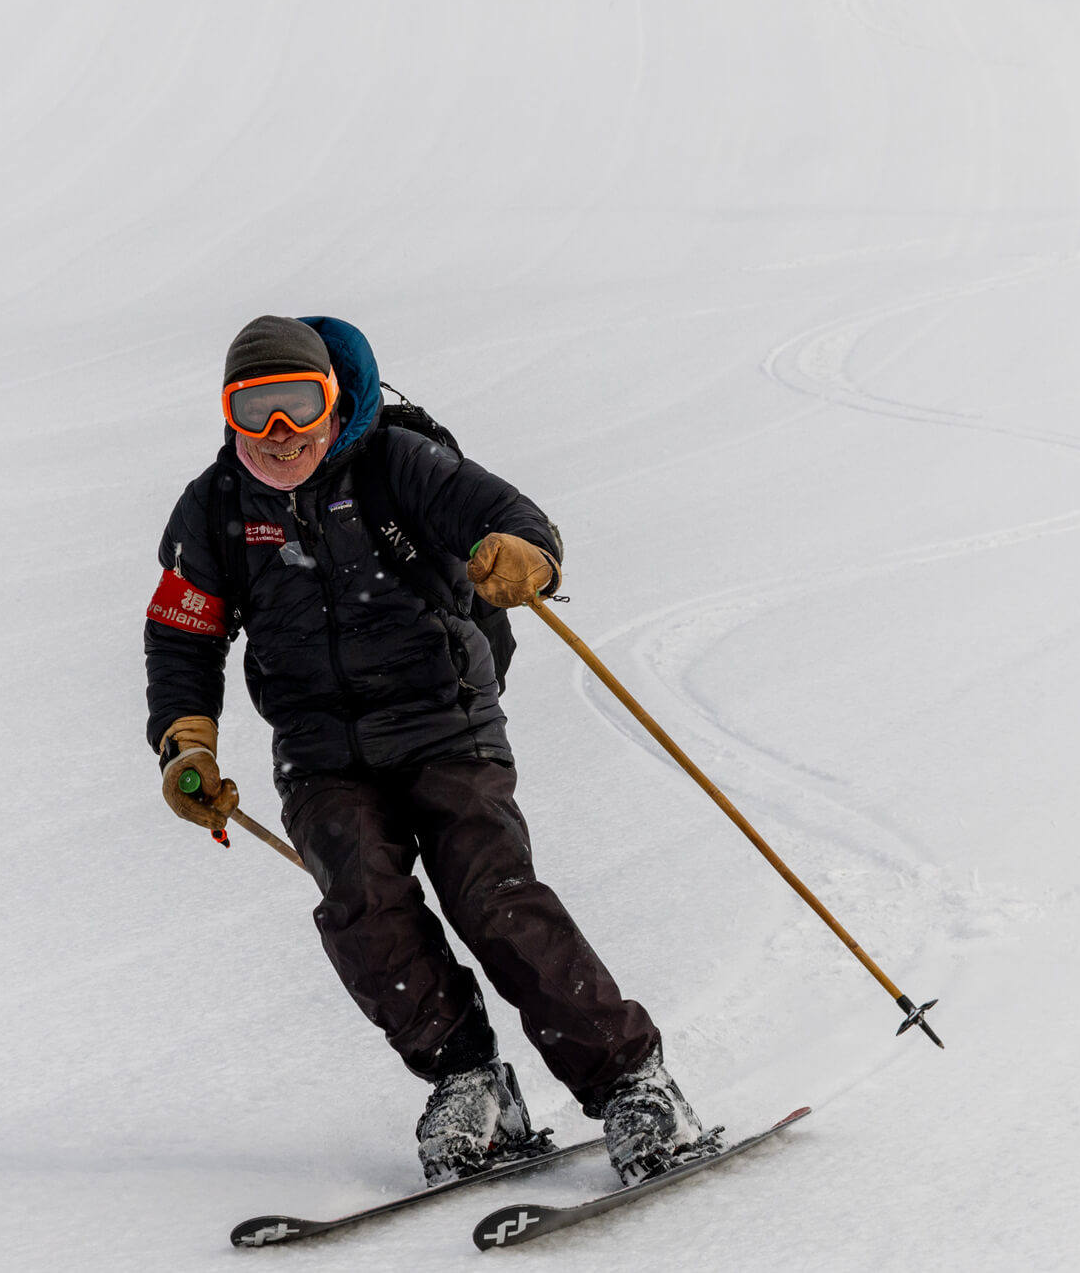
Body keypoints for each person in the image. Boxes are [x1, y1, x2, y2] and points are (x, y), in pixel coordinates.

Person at [144, 314, 708, 1185]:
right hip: (318, 752)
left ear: (335, 402)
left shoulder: (395, 464)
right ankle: (470, 1081)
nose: (281, 432)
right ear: (229, 414)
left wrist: (526, 553)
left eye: (300, 405)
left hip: (446, 723)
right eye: (255, 409)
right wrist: (187, 742)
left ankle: (634, 1082)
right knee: (362, 905)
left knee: (492, 897)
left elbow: (504, 513)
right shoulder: (216, 508)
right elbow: (182, 633)